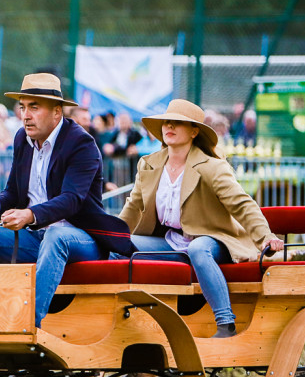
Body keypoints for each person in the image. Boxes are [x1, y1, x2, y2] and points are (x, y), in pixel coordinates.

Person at [0, 73, 132, 329]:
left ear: (57, 112)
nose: (25, 115)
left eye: (34, 108)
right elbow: (14, 193)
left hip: (81, 237)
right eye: (23, 107)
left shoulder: (82, 143)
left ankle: (27, 327)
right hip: (37, 236)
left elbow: (71, 200)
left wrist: (29, 215)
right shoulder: (21, 139)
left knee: (57, 235)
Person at [119, 99, 284, 338]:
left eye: (178, 123)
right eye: (166, 122)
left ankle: (226, 324)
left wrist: (265, 236)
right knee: (121, 245)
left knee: (198, 248)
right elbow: (133, 207)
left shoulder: (212, 166)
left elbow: (242, 203)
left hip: (213, 238)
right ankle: (130, 323)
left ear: (194, 131)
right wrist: (111, 236)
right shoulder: (149, 164)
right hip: (171, 240)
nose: (169, 126)